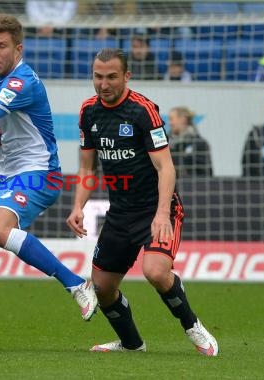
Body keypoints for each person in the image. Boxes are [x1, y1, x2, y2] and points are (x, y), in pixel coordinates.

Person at [0, 13, 98, 323]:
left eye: (2, 46)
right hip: (7, 177)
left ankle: (76, 283)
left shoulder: (23, 81)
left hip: (40, 174)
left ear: (18, 49)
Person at [66, 48, 218, 356]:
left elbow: (166, 167)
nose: (103, 84)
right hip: (120, 212)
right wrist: (78, 205)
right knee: (102, 287)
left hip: (156, 208)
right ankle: (132, 344)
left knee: (156, 272)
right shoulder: (88, 112)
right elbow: (86, 168)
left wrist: (162, 214)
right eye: (97, 76)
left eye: (111, 77)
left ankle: (192, 325)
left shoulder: (142, 111)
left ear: (126, 76)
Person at [168, 106, 213, 177]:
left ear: (183, 119)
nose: (169, 123)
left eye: (171, 119)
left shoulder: (199, 143)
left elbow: (206, 173)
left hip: (193, 186)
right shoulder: (166, 143)